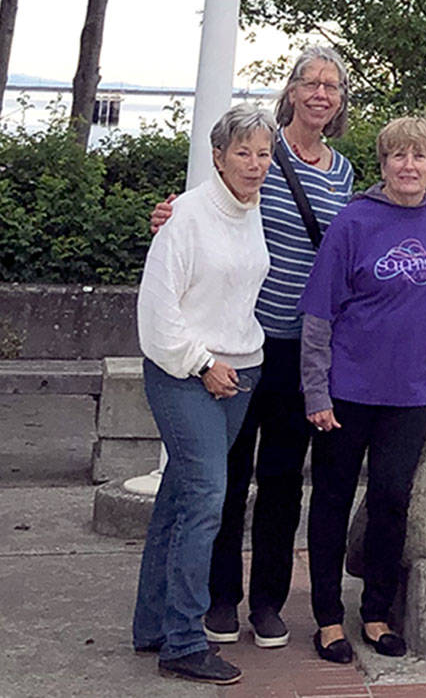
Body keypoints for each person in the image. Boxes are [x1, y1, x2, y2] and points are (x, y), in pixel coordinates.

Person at [151, 46, 357, 649]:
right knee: (228, 475)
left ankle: (267, 601)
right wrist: (168, 213)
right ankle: (219, 597)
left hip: (302, 348)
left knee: (284, 477)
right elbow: (208, 211)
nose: (321, 93)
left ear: (341, 101)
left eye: (333, 85)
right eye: (310, 82)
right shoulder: (260, 149)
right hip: (240, 343)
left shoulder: (342, 172)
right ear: (290, 91)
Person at [299, 116, 426, 663]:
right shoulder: (354, 222)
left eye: (420, 157)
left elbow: (425, 295)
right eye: (399, 156)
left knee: (392, 500)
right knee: (331, 500)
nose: (409, 166)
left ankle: (374, 612)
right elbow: (320, 315)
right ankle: (327, 618)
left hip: (412, 391)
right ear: (384, 163)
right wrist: (316, 395)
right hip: (348, 389)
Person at [132, 105, 277, 685]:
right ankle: (185, 642)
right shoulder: (185, 216)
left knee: (177, 498)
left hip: (243, 373)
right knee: (206, 498)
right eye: (242, 152)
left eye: (263, 153)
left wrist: (234, 363)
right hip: (185, 373)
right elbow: (158, 312)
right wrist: (202, 362)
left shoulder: (255, 210)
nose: (255, 164)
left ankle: (153, 626)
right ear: (217, 156)